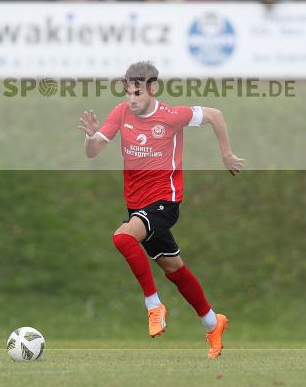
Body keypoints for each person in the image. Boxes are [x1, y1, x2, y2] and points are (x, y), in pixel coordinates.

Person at [78, 61, 243, 359]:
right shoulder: (121, 113)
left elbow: (215, 115)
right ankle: (212, 323)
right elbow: (93, 152)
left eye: (137, 92)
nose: (132, 98)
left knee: (123, 238)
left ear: (153, 89)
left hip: (165, 203)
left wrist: (226, 154)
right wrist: (90, 137)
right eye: (128, 92)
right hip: (138, 207)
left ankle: (154, 306)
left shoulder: (172, 115)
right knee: (174, 269)